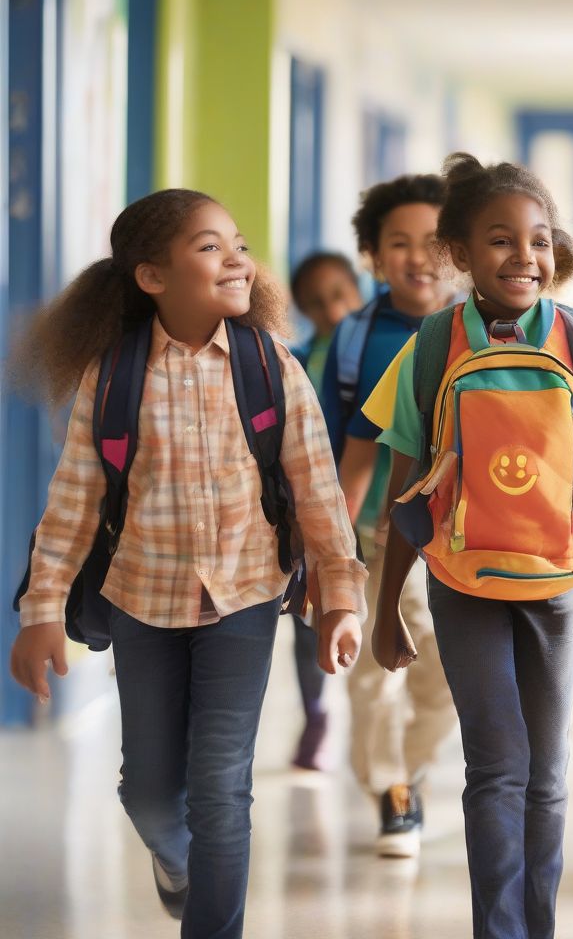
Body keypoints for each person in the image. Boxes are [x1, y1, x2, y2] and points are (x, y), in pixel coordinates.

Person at [362, 153, 573, 939]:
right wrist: (388, 607)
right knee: (496, 767)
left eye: (540, 240)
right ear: (459, 253)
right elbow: (404, 486)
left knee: (546, 774)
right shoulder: (430, 345)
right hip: (462, 578)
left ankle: (536, 927)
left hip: (559, 578)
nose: (525, 257)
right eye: (499, 240)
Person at [8, 189, 366, 939]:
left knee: (220, 789)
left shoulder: (272, 368)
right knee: (146, 792)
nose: (236, 259)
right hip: (142, 600)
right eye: (209, 248)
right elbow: (72, 503)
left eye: (236, 243)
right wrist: (42, 612)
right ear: (151, 277)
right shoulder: (114, 377)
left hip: (242, 599)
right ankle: (175, 862)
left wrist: (340, 594)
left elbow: (317, 491)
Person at [334, 174, 458, 856]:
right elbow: (345, 448)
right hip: (380, 532)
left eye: (436, 243)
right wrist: (332, 551)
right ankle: (391, 791)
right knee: (378, 669)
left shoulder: (483, 325)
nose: (420, 258)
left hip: (466, 533)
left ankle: (409, 766)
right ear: (374, 256)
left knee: (446, 674)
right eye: (399, 244)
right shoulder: (356, 338)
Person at [288, 249, 362, 770]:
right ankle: (316, 711)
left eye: (339, 295)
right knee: (305, 616)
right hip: (307, 517)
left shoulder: (381, 348)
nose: (332, 311)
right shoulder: (293, 364)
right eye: (316, 304)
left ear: (357, 290)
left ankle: (373, 719)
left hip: (368, 510)